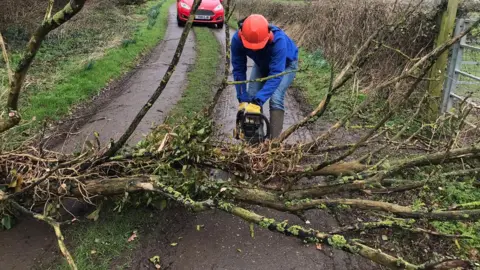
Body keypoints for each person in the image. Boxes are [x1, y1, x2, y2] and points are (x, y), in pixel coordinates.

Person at [231, 14, 299, 139]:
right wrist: (242, 98)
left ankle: (273, 143)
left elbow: (276, 75)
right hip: (261, 64)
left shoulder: (278, 40)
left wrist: (259, 100)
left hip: (286, 65)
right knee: (251, 96)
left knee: (276, 97)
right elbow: (238, 69)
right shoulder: (237, 40)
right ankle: (254, 140)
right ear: (242, 35)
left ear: (269, 36)